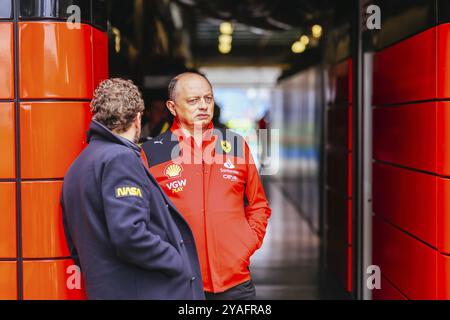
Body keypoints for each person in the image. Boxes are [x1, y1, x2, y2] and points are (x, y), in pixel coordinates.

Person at [60, 78, 204, 300]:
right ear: (138, 118)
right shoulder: (120, 159)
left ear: (97, 115)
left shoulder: (78, 166)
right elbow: (129, 234)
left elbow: (74, 244)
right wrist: (176, 260)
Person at [142, 72, 271, 300]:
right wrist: (165, 257)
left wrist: (245, 245)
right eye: (193, 100)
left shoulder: (235, 145)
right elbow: (143, 217)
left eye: (208, 98)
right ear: (172, 107)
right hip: (179, 282)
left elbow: (258, 204)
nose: (203, 106)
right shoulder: (152, 153)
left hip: (236, 283)